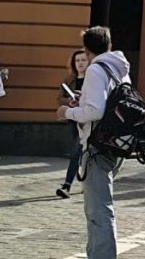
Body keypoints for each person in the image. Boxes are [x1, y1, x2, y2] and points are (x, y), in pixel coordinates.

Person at [57, 27, 131, 259]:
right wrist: (83, 100)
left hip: (97, 146)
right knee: (98, 208)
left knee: (99, 211)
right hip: (114, 143)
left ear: (87, 50)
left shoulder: (95, 69)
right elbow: (108, 103)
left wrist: (67, 112)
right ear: (109, 45)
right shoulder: (119, 68)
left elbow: (95, 111)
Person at [56, 49, 89, 197]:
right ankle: (86, 184)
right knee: (80, 153)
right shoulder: (69, 80)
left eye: (83, 60)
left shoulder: (93, 79)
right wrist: (70, 101)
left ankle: (67, 185)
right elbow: (59, 99)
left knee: (76, 152)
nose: (80, 63)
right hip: (72, 119)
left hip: (87, 121)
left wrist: (83, 98)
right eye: (77, 61)